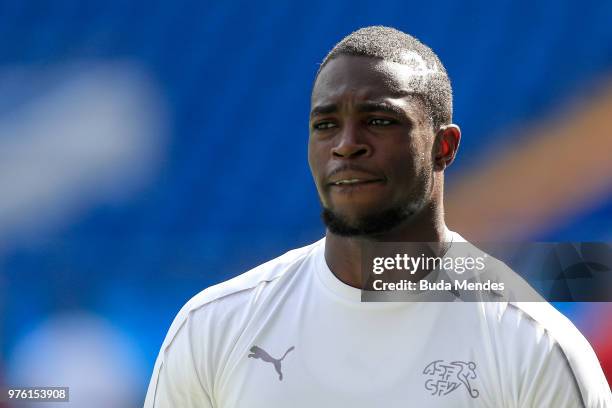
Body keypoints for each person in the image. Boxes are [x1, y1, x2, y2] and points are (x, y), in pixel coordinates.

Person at [144, 26, 611, 407]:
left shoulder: (534, 346)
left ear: (444, 147)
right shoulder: (214, 326)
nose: (346, 144)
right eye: (325, 125)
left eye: (380, 120)